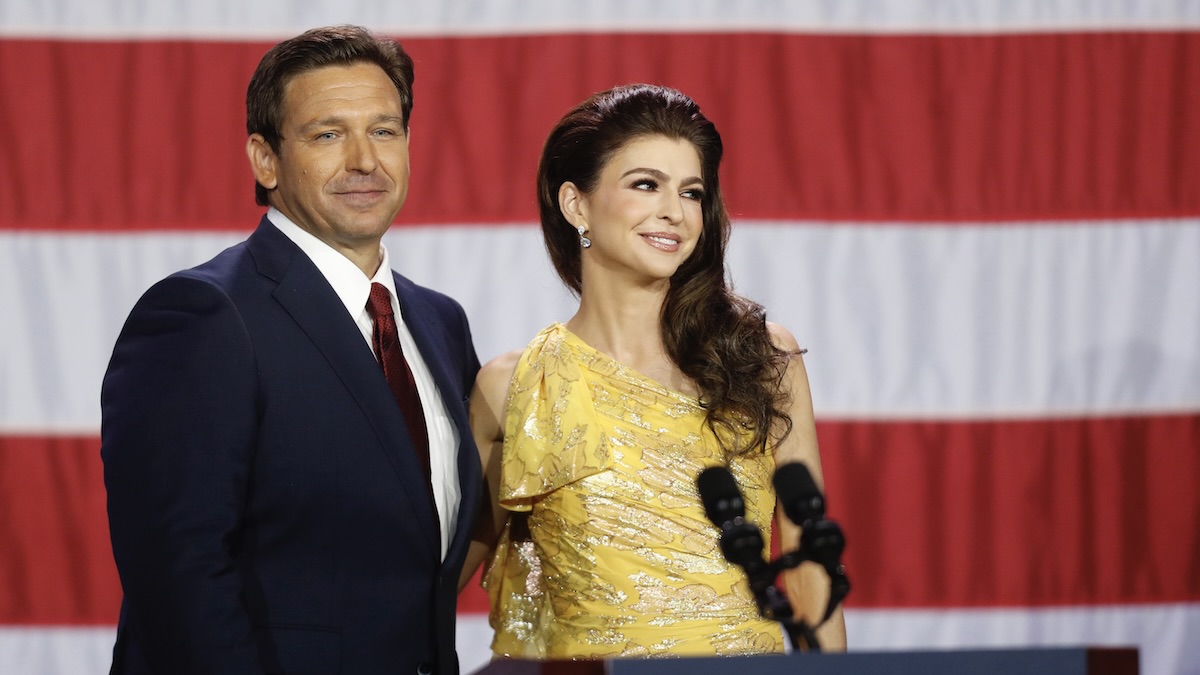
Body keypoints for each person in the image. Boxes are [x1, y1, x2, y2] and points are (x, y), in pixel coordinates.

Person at [101, 25, 481, 675]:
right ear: (265, 158)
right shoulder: (202, 316)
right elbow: (182, 580)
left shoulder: (438, 321)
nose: (365, 159)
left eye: (385, 130)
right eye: (328, 134)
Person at [461, 83, 848, 659]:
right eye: (646, 184)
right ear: (576, 205)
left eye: (691, 192)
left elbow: (811, 565)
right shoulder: (516, 386)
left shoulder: (761, 358)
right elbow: (435, 582)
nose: (675, 211)